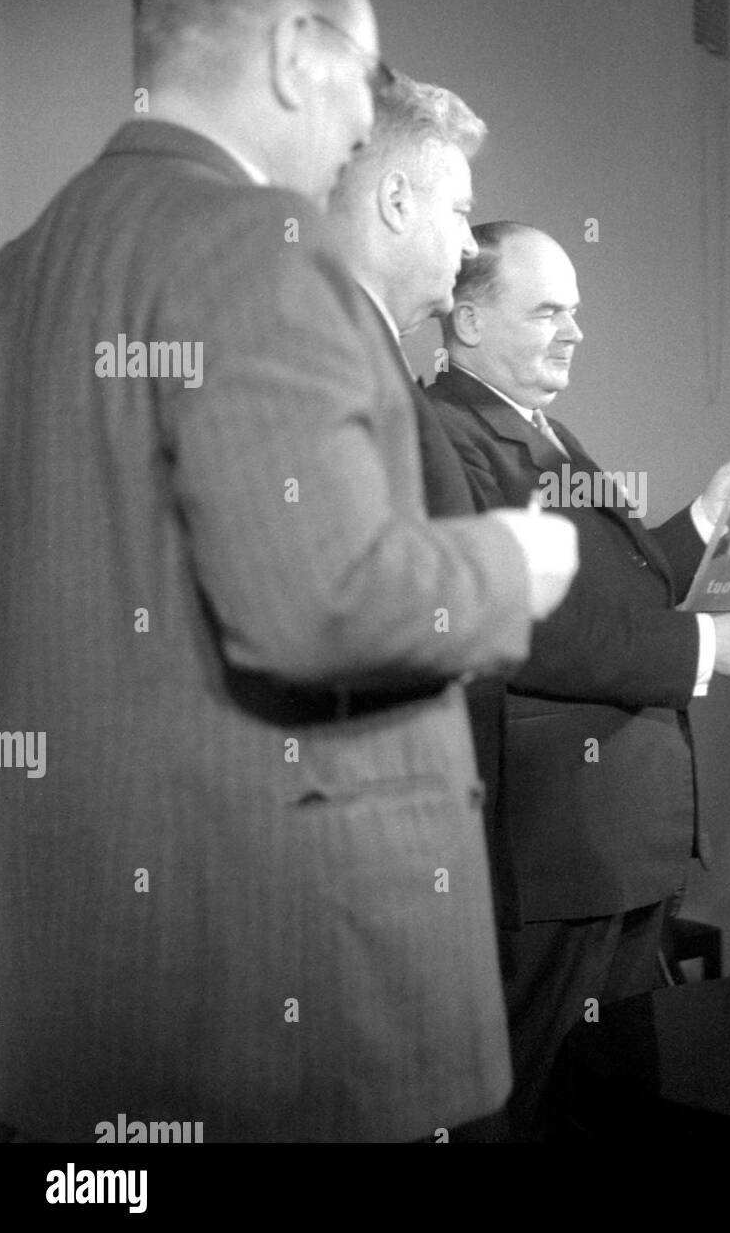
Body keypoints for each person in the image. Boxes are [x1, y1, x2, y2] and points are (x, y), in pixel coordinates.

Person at [0, 0, 576, 1144]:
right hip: (299, 993)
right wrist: (514, 559)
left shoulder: (20, 273)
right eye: (359, 89)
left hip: (87, 983)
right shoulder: (259, 247)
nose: (365, 128)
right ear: (291, 58)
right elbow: (321, 601)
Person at [429, 221, 730, 1139]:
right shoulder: (446, 432)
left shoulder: (539, 429)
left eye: (577, 311)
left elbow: (621, 595)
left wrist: (709, 513)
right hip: (561, 857)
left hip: (624, 852)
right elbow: (525, 623)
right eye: (548, 309)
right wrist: (705, 650)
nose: (574, 331)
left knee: (617, 1105)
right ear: (467, 321)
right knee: (540, 1105)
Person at [326, 73, 517, 926]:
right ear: (397, 201)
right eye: (459, 213)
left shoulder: (367, 351)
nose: (471, 246)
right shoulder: (326, 358)